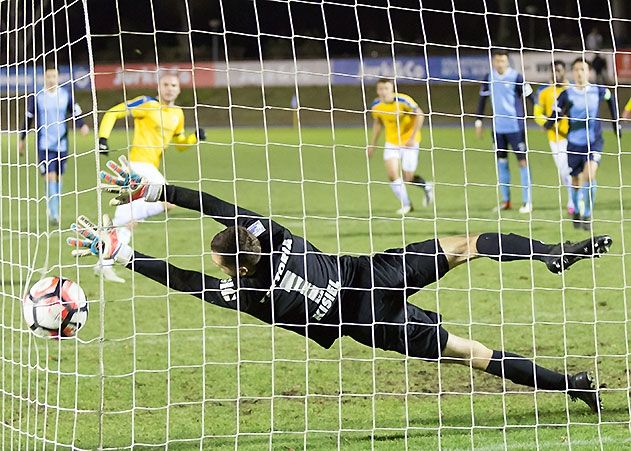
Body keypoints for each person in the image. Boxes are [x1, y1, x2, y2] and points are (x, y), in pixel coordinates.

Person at [67, 157, 613, 413]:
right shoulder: (267, 233)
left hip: (369, 323)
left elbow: (187, 283)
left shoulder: (252, 295)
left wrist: (125, 254)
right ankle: (548, 255)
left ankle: (573, 386)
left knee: (472, 354)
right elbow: (216, 208)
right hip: (371, 274)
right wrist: (162, 189)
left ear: (232, 266)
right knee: (466, 244)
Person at [95, 72, 206, 283]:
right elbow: (113, 112)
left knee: (128, 221)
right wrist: (103, 139)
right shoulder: (146, 103)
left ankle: (104, 263)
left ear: (179, 89)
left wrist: (193, 138)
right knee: (170, 199)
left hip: (148, 168)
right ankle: (118, 222)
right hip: (137, 164)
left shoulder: (178, 114)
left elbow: (180, 144)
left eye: (173, 85)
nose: (169, 88)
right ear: (159, 87)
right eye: (165, 84)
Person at [546, 59, 620, 230]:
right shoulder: (567, 94)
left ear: (589, 72)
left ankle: (587, 214)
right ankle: (577, 212)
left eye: (583, 69)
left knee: (590, 175)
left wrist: (616, 123)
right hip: (573, 143)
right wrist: (549, 123)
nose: (579, 73)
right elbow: (555, 113)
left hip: (594, 142)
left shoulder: (597, 90)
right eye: (577, 69)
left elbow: (611, 98)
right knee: (576, 180)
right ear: (573, 72)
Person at [19, 67, 90, 225]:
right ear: (44, 78)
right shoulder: (37, 96)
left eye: (54, 76)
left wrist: (82, 125)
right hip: (44, 144)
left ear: (58, 77)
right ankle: (54, 212)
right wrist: (21, 138)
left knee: (58, 177)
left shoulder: (65, 95)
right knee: (50, 176)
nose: (51, 79)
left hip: (62, 143)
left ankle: (53, 206)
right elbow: (28, 118)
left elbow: (75, 111)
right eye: (48, 76)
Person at [476, 50, 534, 213]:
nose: (500, 64)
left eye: (503, 61)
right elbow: (482, 100)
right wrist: (478, 121)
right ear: (493, 62)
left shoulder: (516, 77)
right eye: (497, 61)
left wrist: (538, 115)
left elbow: (531, 97)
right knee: (501, 163)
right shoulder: (489, 77)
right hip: (498, 128)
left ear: (507, 62)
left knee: (522, 162)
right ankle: (506, 201)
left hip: (516, 127)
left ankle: (527, 201)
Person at [367, 78, 433, 215]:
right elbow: (378, 123)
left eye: (386, 88)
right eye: (380, 89)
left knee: (408, 177)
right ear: (377, 90)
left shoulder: (403, 100)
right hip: (391, 142)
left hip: (409, 142)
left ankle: (426, 186)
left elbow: (420, 115)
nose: (383, 92)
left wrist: (412, 137)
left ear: (392, 89)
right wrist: (372, 144)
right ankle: (407, 205)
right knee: (392, 175)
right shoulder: (376, 105)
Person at [533, 61, 574, 215]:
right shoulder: (543, 91)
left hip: (574, 135)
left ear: (564, 71)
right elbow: (537, 113)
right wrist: (546, 124)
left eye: (559, 70)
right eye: (553, 70)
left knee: (573, 168)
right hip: (556, 137)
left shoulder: (571, 89)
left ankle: (574, 201)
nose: (556, 73)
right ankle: (573, 198)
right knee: (564, 171)